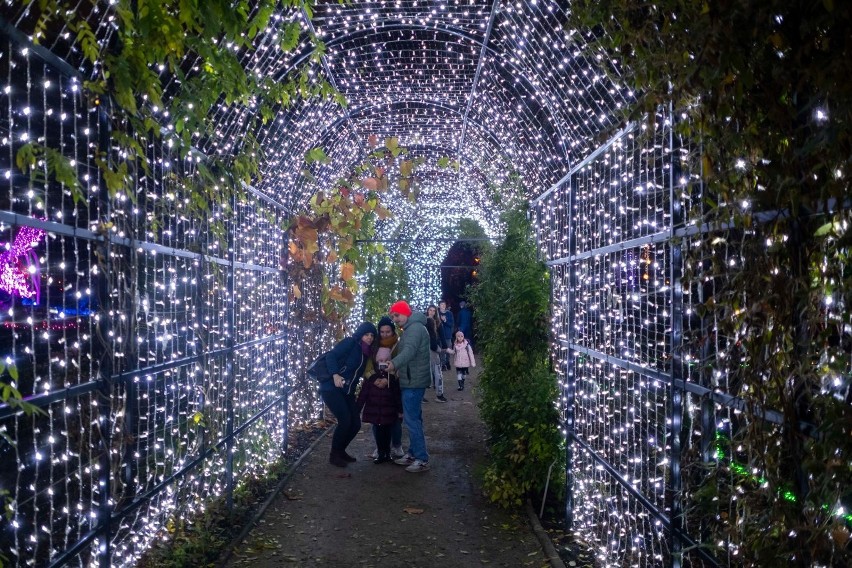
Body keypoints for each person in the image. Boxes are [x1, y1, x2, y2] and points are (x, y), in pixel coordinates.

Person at [319, 321, 377, 467]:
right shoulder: (350, 343)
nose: (369, 337)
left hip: (347, 391)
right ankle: (334, 455)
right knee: (345, 420)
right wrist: (335, 374)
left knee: (356, 423)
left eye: (372, 335)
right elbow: (330, 356)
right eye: (366, 334)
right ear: (360, 334)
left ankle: (340, 451)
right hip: (332, 388)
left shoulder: (367, 353)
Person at [385, 300, 432, 473]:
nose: (395, 319)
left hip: (414, 381)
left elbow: (409, 351)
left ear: (405, 313)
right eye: (393, 316)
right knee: (414, 419)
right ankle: (414, 453)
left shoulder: (414, 329)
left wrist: (394, 364)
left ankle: (421, 458)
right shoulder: (412, 328)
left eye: (396, 315)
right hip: (412, 379)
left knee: (412, 420)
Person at [364, 316, 405, 459]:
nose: (385, 334)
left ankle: (397, 445)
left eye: (388, 331)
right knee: (377, 419)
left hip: (392, 386)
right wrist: (375, 379)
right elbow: (369, 366)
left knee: (394, 419)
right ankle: (380, 447)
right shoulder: (374, 346)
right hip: (376, 388)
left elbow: (401, 363)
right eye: (382, 331)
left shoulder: (398, 345)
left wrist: (389, 378)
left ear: (393, 331)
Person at [357, 339, 403, 464]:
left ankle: (387, 453)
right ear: (375, 361)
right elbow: (364, 393)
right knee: (379, 434)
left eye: (385, 360)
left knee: (387, 433)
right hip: (375, 411)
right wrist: (357, 408)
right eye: (379, 360)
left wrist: (400, 410)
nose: (382, 363)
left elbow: (396, 394)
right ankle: (381, 453)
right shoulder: (371, 377)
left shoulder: (392, 378)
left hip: (388, 411)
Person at [425, 305, 447, 402]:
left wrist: (445, 347)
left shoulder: (437, 323)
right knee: (428, 373)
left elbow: (442, 335)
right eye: (430, 310)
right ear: (428, 311)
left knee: (436, 372)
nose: (432, 312)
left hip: (434, 349)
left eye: (434, 311)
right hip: (428, 349)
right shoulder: (424, 322)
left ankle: (439, 394)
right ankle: (437, 394)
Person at [438, 300, 455, 370]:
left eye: (444, 304)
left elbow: (451, 324)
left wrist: (445, 320)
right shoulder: (437, 314)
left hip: (447, 335)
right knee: (442, 350)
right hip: (440, 335)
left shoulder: (449, 313)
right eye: (442, 304)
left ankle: (447, 362)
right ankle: (443, 364)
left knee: (448, 349)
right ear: (439, 306)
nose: (443, 306)